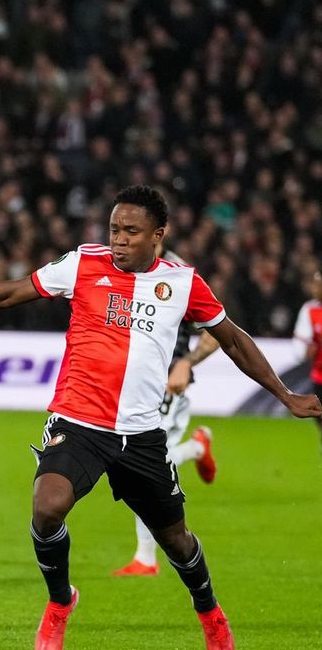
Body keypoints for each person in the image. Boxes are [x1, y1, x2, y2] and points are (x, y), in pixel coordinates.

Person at [0, 185, 321, 650]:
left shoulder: (183, 284)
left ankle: (209, 611)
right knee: (47, 506)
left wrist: (285, 395)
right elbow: (12, 291)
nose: (118, 240)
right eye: (114, 230)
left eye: (131, 232)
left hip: (141, 435)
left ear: (157, 236)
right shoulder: (82, 265)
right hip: (78, 421)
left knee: (176, 540)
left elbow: (233, 340)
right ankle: (60, 601)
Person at [114, 246, 221, 576]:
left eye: (135, 231)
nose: (126, 240)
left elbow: (215, 336)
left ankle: (145, 558)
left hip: (169, 383)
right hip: (133, 383)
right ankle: (198, 446)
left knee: (148, 464)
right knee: (138, 461)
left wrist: (185, 365)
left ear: (158, 233)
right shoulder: (121, 268)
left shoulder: (180, 276)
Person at [293, 268, 322, 453]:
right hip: (319, 376)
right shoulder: (309, 310)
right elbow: (300, 346)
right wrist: (306, 351)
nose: (315, 288)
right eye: (315, 284)